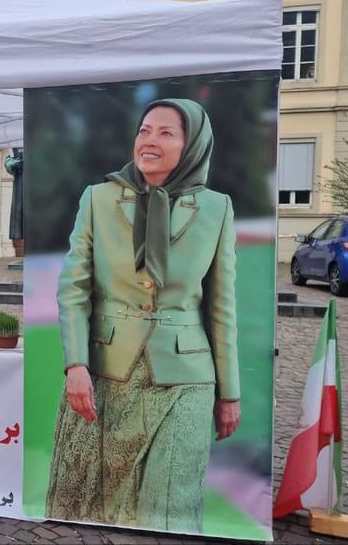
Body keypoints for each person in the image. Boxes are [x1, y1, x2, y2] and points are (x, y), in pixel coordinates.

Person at [45, 99, 240, 533]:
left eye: (166, 133)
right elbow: (74, 288)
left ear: (193, 145)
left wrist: (230, 393)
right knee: (85, 504)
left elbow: (222, 307)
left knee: (170, 507)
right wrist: (75, 364)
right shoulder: (98, 198)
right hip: (103, 372)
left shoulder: (217, 208)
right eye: (144, 130)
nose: (150, 140)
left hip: (186, 378)